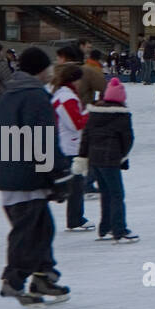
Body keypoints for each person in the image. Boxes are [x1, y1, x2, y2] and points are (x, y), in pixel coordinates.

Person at [0, 47, 71, 309]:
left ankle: (43, 278)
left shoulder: (9, 94)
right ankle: (13, 283)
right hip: (26, 176)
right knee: (29, 234)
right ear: (40, 69)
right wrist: (59, 174)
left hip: (11, 172)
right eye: (48, 66)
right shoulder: (35, 96)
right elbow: (43, 140)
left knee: (42, 229)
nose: (51, 71)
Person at [75, 77, 137, 242]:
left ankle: (105, 228)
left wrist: (83, 157)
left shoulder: (94, 113)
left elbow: (86, 137)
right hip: (111, 160)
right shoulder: (122, 115)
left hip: (95, 160)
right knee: (116, 194)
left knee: (106, 194)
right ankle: (119, 230)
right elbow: (128, 139)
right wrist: (122, 156)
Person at [50, 63, 90, 232]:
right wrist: (90, 113)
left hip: (66, 144)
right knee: (76, 185)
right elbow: (76, 123)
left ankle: (75, 217)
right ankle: (75, 219)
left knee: (76, 184)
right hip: (69, 146)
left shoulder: (62, 94)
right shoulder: (67, 98)